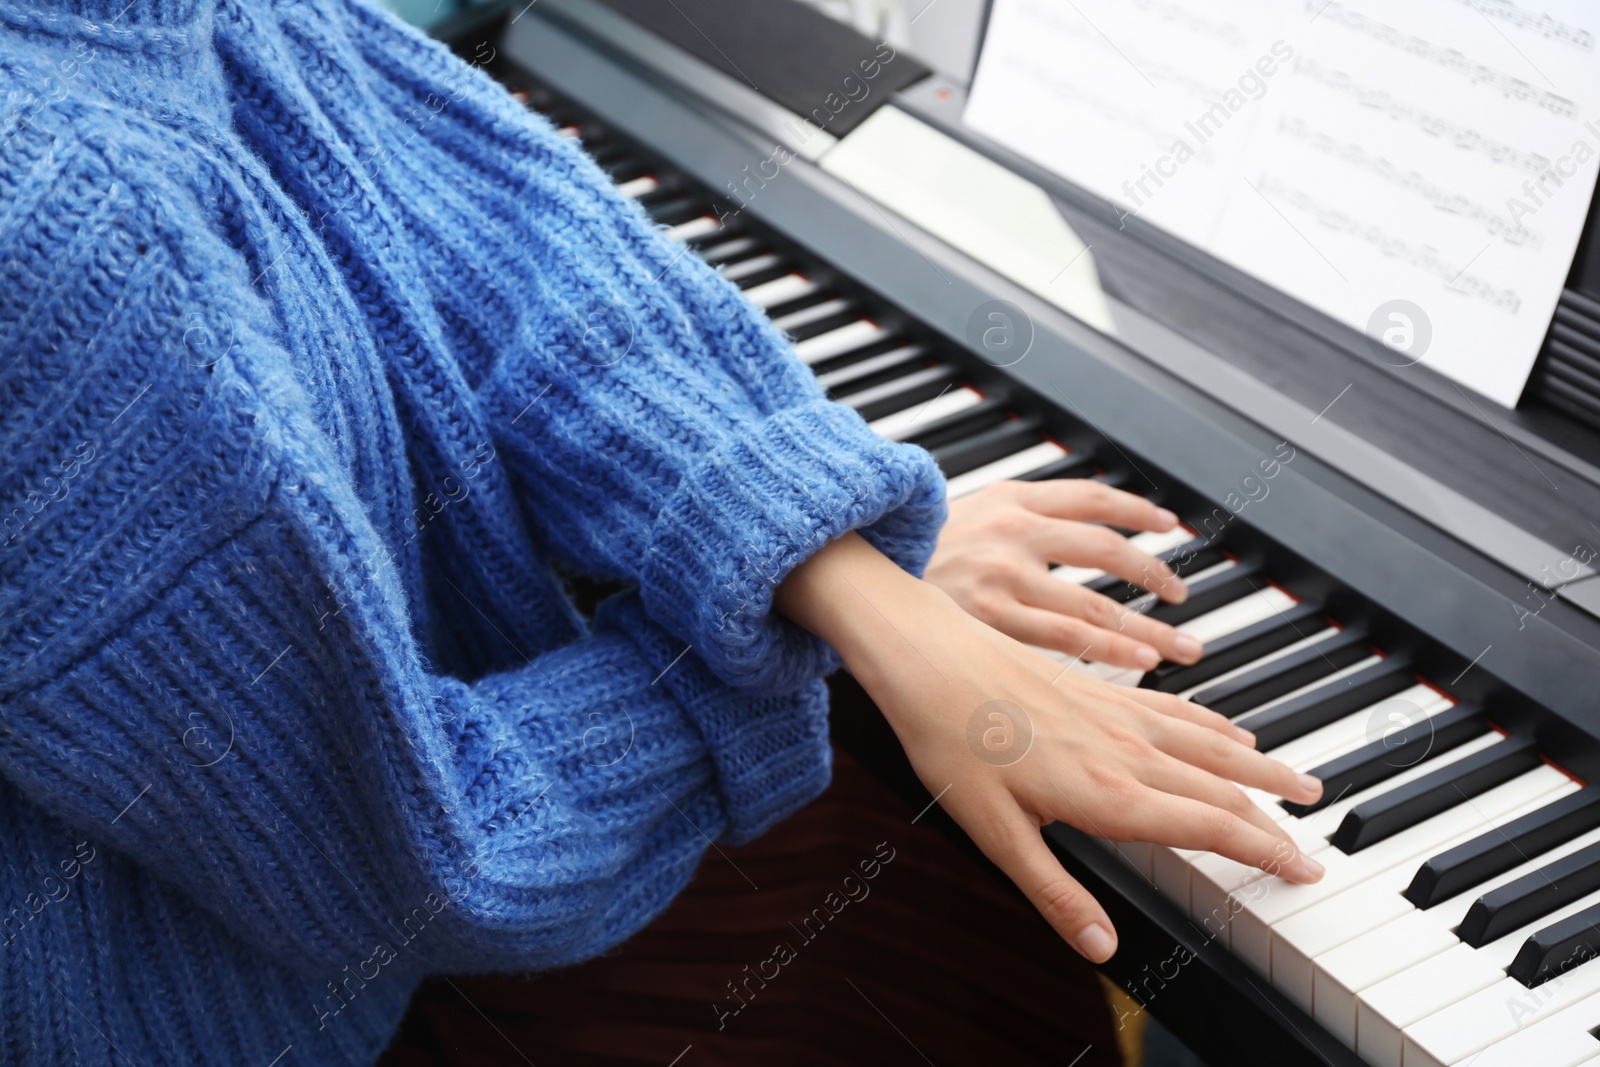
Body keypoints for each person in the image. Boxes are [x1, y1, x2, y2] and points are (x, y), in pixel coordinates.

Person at [0, 0, 1323, 1063]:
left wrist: (850, 578)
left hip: (413, 795)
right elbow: (427, 861)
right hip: (286, 992)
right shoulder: (43, 213)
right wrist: (810, 653)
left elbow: (506, 258)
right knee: (970, 999)